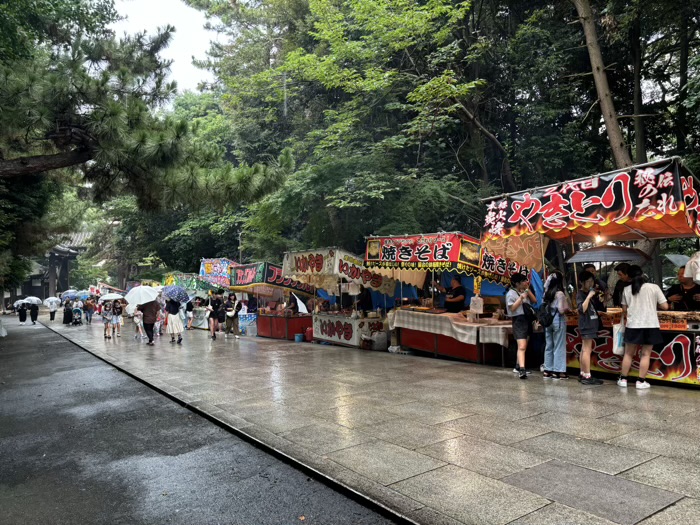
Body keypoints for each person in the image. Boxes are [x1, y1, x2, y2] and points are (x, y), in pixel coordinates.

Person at [619, 265, 669, 389]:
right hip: (650, 324)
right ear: (642, 274)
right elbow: (665, 306)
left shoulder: (626, 290)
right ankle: (641, 382)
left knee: (628, 354)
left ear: (629, 277)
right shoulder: (654, 287)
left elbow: (624, 309)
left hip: (633, 325)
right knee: (646, 354)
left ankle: (623, 380)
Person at [577, 271, 605, 385]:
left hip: (591, 323)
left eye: (591, 281)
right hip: (586, 324)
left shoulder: (589, 293)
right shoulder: (580, 294)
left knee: (585, 349)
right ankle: (587, 375)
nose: (590, 284)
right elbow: (582, 309)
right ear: (582, 282)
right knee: (586, 350)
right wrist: (589, 296)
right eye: (588, 281)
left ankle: (583, 373)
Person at [506, 273, 536, 379]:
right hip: (518, 320)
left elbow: (534, 300)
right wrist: (520, 299)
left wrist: (527, 290)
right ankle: (522, 370)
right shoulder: (511, 294)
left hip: (527, 320)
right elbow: (512, 309)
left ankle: (518, 366)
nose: (525, 282)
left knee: (524, 345)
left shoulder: (524, 291)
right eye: (523, 281)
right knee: (522, 345)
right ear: (517, 283)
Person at [542, 272, 570, 379]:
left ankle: (547, 370)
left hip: (548, 321)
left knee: (549, 345)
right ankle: (558, 371)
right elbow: (561, 310)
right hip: (558, 320)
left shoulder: (547, 293)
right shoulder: (560, 294)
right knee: (559, 346)